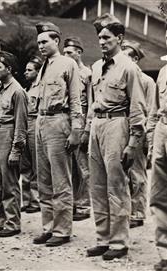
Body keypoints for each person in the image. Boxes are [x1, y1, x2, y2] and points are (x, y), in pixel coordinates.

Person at [83, 14, 146, 260]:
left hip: (118, 123)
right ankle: (103, 238)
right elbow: (92, 102)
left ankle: (119, 243)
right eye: (99, 37)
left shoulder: (129, 68)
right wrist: (88, 128)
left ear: (119, 39)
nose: (102, 41)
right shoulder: (97, 67)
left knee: (117, 185)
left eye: (107, 37)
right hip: (98, 125)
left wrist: (133, 142)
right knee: (97, 185)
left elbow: (137, 108)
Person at [33, 22, 82, 247]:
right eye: (39, 42)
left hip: (59, 121)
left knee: (61, 179)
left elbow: (75, 101)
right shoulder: (44, 66)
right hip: (41, 121)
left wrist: (75, 131)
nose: (41, 46)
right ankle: (48, 227)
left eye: (45, 41)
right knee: (43, 179)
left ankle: (62, 231)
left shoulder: (68, 64)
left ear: (56, 41)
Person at [0, 51, 28, 237]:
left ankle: (13, 223)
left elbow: (21, 124)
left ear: (9, 69)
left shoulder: (18, 91)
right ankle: (0, 221)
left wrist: (16, 150)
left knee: (9, 182)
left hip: (7, 133)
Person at [121, 40, 156, 229]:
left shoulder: (146, 81)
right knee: (122, 172)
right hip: (121, 127)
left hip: (139, 130)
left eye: (126, 56)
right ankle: (126, 210)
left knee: (137, 173)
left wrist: (147, 139)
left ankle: (138, 212)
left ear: (135, 59)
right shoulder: (121, 77)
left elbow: (150, 109)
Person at [63, 36, 92, 221]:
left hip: (80, 121)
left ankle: (83, 206)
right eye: (64, 52)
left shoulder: (86, 74)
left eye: (69, 52)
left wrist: (87, 127)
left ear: (79, 52)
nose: (65, 55)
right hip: (65, 119)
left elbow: (90, 101)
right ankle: (72, 203)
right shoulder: (65, 71)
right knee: (69, 166)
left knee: (83, 167)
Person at [147, 29, 167, 271]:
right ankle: (165, 252)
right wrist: (152, 141)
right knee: (160, 196)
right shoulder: (163, 71)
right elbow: (154, 111)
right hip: (163, 130)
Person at [20, 56, 42, 214]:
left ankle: (36, 200)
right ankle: (26, 199)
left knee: (36, 164)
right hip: (25, 124)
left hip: (35, 123)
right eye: (26, 69)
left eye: (30, 70)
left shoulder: (41, 88)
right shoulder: (27, 89)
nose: (26, 72)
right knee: (25, 164)